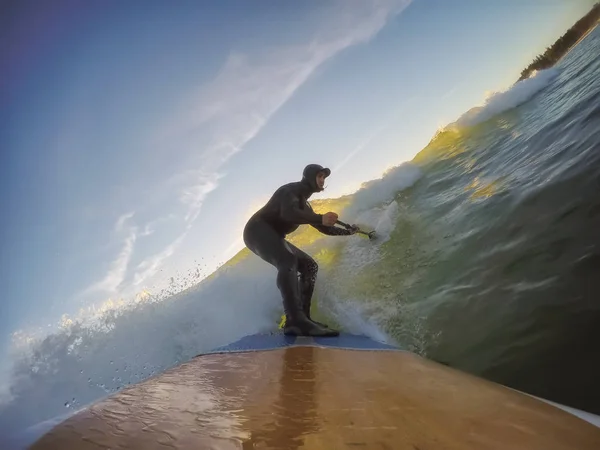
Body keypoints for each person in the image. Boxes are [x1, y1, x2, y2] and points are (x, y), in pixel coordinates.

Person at [243, 164, 359, 337]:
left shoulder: (306, 207)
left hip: (274, 235)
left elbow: (324, 228)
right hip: (256, 230)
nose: (322, 180)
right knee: (287, 260)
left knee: (309, 266)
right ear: (309, 176)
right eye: (319, 176)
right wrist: (321, 217)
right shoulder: (289, 190)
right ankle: (294, 319)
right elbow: (288, 214)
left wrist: (348, 232)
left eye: (324, 177)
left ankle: (304, 318)